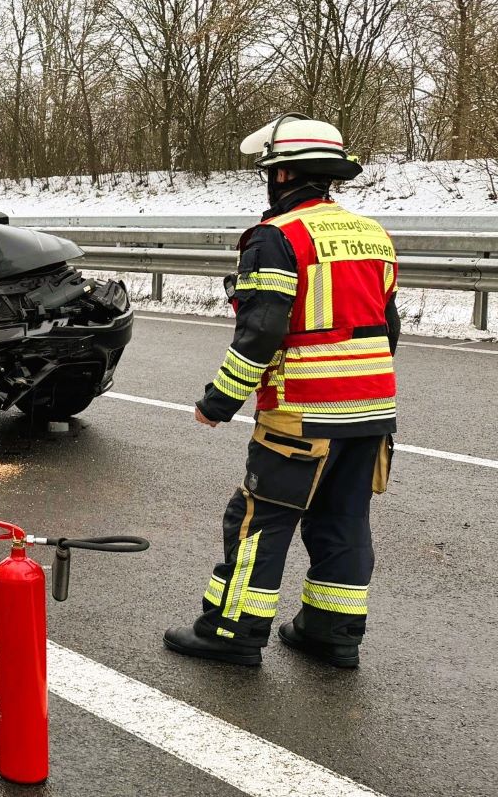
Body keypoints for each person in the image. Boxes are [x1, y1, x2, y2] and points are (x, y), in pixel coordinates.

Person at [164, 114, 399, 669]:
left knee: (258, 519)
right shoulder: (372, 234)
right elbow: (387, 329)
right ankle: (332, 633)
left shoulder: (277, 237)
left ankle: (231, 633)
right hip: (372, 411)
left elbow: (261, 330)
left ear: (284, 173)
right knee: (342, 520)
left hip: (302, 413)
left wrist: (218, 402)